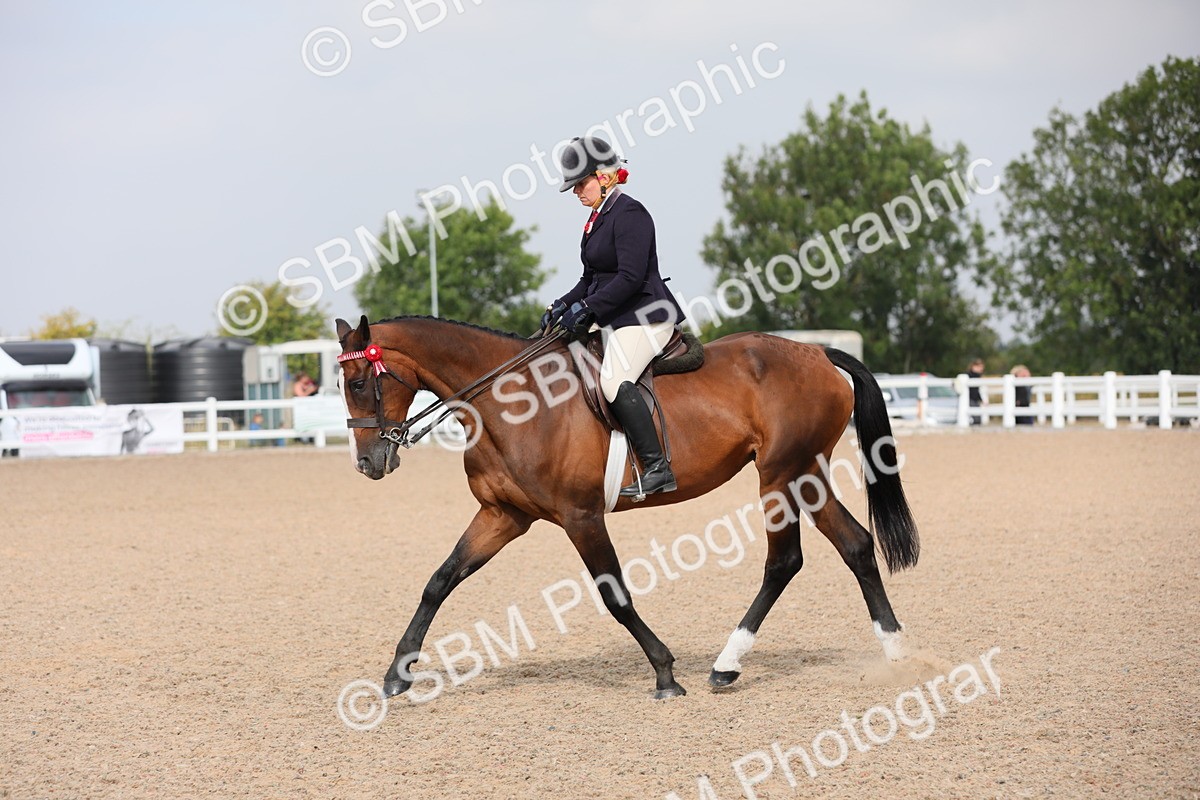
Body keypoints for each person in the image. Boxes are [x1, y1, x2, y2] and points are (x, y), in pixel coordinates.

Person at [542, 136, 687, 498]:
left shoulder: (630, 214)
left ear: (604, 177)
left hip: (645, 315)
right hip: (616, 314)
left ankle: (657, 468)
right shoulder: (596, 219)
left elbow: (630, 277)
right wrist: (562, 304)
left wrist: (589, 308)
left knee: (613, 380)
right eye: (573, 186)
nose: (576, 192)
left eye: (580, 183)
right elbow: (590, 279)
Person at [967, 358, 987, 426]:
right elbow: (974, 391)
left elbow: (976, 390)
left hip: (974, 399)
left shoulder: (977, 376)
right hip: (971, 399)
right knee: (976, 418)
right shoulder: (970, 376)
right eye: (980, 367)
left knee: (977, 417)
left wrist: (980, 399)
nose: (982, 369)